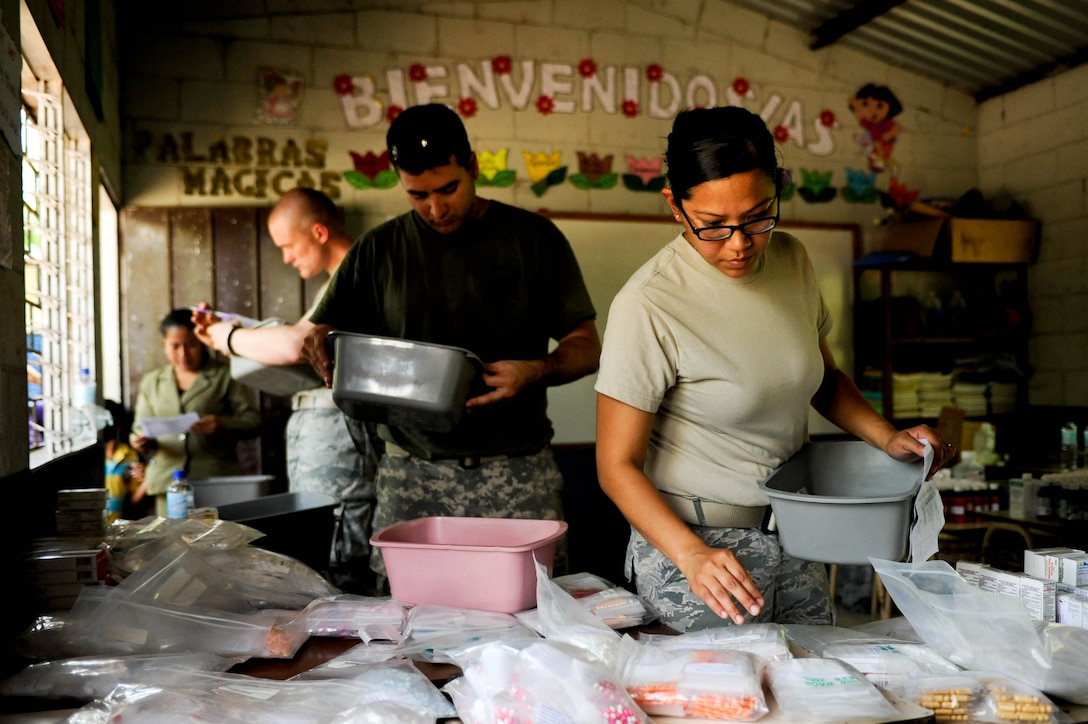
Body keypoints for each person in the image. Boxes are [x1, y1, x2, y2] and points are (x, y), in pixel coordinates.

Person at [593, 106, 954, 633]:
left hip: (796, 535)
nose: (740, 244)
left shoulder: (791, 260)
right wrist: (691, 556)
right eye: (713, 226)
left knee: (817, 692)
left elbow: (822, 379)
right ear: (675, 206)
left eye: (759, 216)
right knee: (724, 707)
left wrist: (887, 437)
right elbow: (616, 466)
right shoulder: (650, 304)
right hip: (698, 553)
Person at [299, 103, 601, 587]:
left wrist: (538, 369)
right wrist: (318, 343)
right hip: (411, 473)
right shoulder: (378, 250)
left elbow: (587, 346)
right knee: (410, 615)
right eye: (418, 195)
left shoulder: (533, 240)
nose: (436, 209)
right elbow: (323, 329)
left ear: (473, 167)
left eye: (448, 189)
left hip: (517, 471)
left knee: (537, 606)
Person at [192, 187, 381, 592]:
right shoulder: (338, 280)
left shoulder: (356, 274)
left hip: (345, 443)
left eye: (288, 245)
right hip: (335, 441)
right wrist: (228, 330)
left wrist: (228, 336)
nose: (286, 258)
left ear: (318, 232)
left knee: (342, 557)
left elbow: (295, 344)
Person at [131, 309, 261, 517]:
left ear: (203, 342)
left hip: (214, 481)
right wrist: (139, 441)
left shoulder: (224, 376)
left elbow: (254, 422)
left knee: (216, 542)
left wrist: (221, 423)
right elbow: (140, 427)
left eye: (191, 345)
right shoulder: (152, 382)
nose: (183, 354)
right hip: (168, 482)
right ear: (164, 344)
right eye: (175, 346)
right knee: (172, 543)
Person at [102, 399, 150, 522]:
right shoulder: (87, 458)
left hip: (118, 528)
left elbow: (133, 501)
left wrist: (149, 478)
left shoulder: (130, 456)